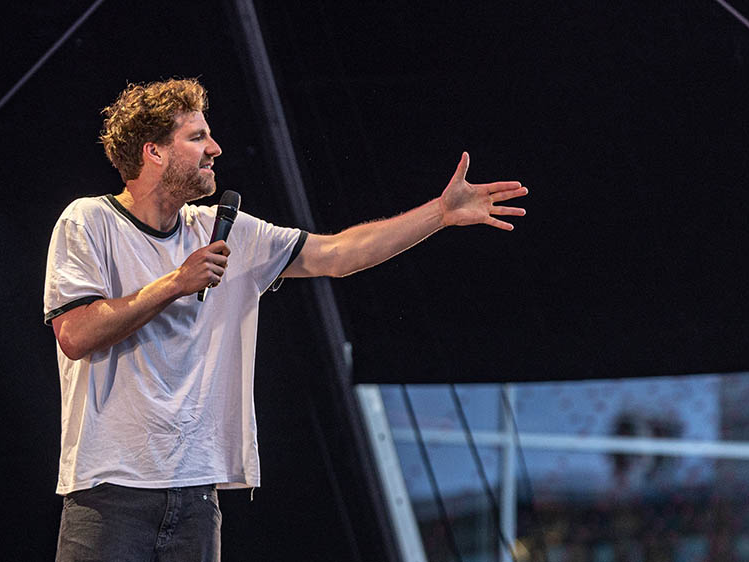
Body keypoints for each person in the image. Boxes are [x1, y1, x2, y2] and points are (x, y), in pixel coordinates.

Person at [44, 77, 527, 561]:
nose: (215, 147)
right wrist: (174, 283)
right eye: (196, 138)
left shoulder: (222, 229)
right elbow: (77, 333)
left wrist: (440, 214)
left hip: (197, 493)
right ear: (153, 152)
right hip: (109, 494)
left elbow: (337, 255)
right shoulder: (89, 221)